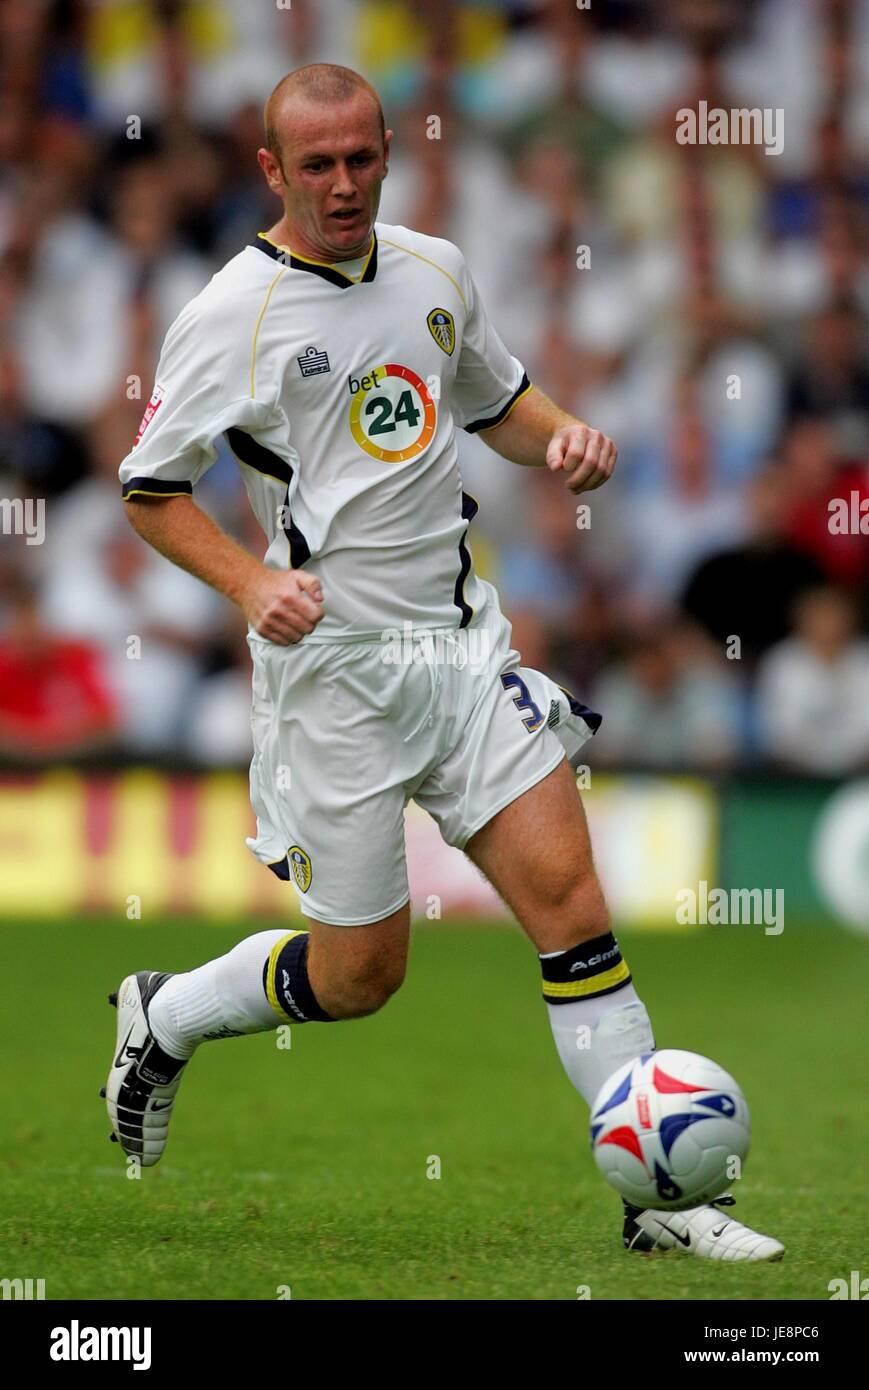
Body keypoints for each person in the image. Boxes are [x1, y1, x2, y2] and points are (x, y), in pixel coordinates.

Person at [108, 64, 783, 1262]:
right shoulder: (231, 313)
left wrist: (562, 435)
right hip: (336, 675)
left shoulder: (433, 268)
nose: (343, 184)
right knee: (363, 975)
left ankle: (662, 1205)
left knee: (571, 907)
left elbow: (496, 400)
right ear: (271, 170)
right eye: (314, 165)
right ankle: (164, 1013)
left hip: (464, 646)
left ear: (386, 153)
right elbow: (150, 491)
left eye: (361, 158)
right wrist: (252, 581)